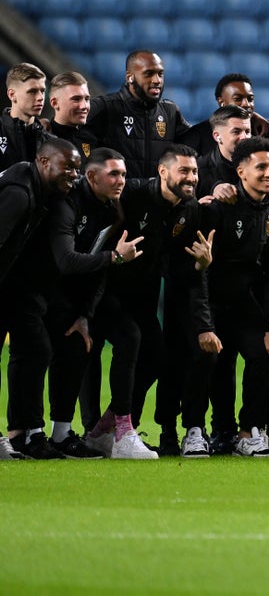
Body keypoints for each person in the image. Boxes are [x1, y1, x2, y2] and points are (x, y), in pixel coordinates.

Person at [181, 137, 269, 457]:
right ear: (241, 172)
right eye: (261, 167)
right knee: (208, 357)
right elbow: (199, 271)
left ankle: (248, 432)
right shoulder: (217, 208)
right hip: (209, 299)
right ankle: (196, 430)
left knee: (266, 351)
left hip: (244, 301)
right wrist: (204, 325)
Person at [43, 149, 152, 459]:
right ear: (91, 176)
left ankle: (88, 432)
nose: (121, 181)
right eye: (114, 174)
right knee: (40, 353)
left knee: (118, 338)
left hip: (80, 296)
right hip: (45, 289)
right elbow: (66, 261)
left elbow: (100, 270)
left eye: (124, 174)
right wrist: (115, 256)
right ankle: (30, 432)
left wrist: (85, 314)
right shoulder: (67, 203)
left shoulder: (111, 208)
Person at [105, 144, 209, 456]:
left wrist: (199, 265)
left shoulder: (190, 210)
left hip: (143, 296)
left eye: (195, 171)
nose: (192, 177)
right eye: (184, 171)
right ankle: (98, 430)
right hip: (105, 288)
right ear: (163, 172)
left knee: (155, 356)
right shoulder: (133, 195)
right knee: (122, 345)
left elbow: (177, 266)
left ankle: (117, 428)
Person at [0, 138, 81, 459]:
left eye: (77, 168)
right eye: (67, 167)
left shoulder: (32, 183)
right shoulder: (19, 194)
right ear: (44, 162)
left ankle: (23, 433)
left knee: (35, 350)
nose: (74, 174)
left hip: (12, 286)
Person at [84, 50, 190, 180]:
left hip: (158, 193)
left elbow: (197, 143)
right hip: (118, 192)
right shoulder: (105, 107)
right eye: (149, 74)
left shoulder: (170, 112)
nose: (157, 80)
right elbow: (75, 137)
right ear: (130, 77)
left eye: (160, 74)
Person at [1, 62, 51, 171]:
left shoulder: (50, 143)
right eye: (32, 92)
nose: (40, 98)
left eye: (42, 91)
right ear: (12, 95)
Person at [197, 105, 254, 197]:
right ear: (217, 136)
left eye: (247, 132)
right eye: (236, 132)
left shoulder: (262, 163)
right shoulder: (198, 171)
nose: (244, 137)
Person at [45, 71, 99, 159]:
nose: (84, 106)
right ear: (55, 103)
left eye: (86, 99)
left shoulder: (93, 140)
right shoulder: (41, 139)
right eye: (76, 99)